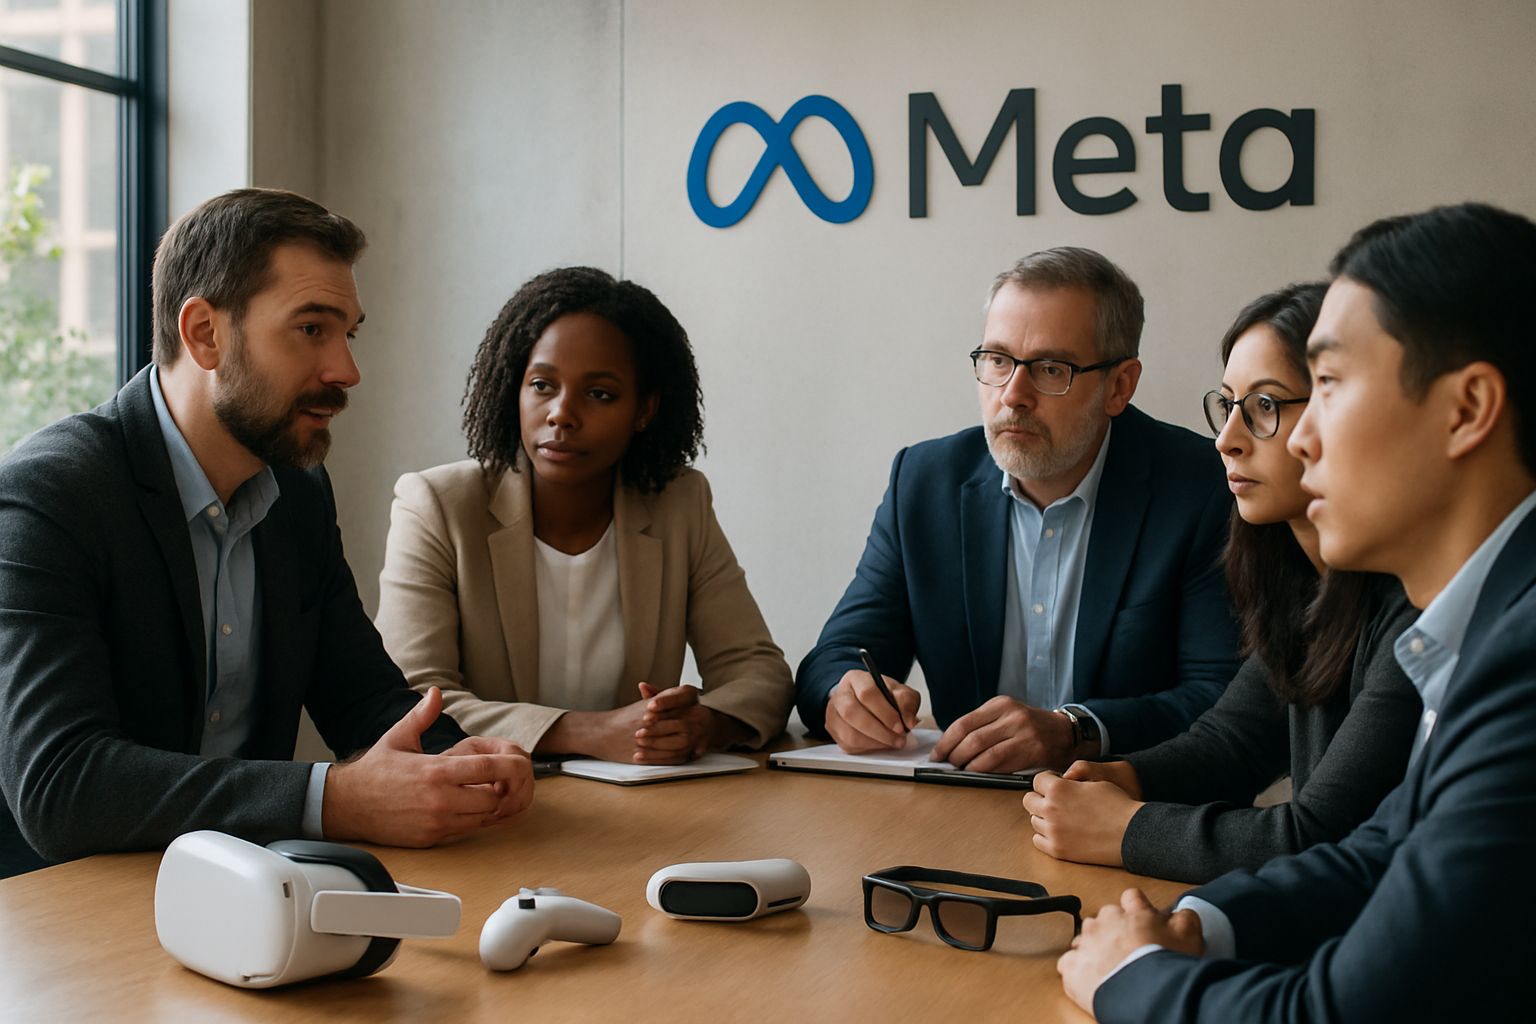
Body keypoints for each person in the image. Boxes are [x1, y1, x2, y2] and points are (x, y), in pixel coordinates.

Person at [1059, 202, 1536, 1021]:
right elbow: (1382, 850)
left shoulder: (1521, 656)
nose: (1302, 439)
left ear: (1466, 410)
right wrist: (1197, 926)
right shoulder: (1483, 624)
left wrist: (1133, 975)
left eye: (1332, 387)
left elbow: (1338, 1013)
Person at [0, 188, 534, 879]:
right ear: (204, 334)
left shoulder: (297, 493)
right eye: (312, 329)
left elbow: (361, 698)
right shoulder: (50, 495)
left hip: (245, 897)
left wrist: (467, 764)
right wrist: (330, 800)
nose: (346, 371)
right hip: (61, 921)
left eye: (349, 333)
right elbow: (61, 786)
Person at [1023, 282, 1420, 883]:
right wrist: (1118, 779)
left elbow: (1322, 837)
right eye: (1228, 404)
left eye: (1263, 407)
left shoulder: (1415, 600)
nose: (1226, 439)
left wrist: (1124, 827)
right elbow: (1233, 741)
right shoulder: (1297, 573)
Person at [796, 247, 1240, 773]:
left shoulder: (1200, 487)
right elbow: (838, 654)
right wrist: (843, 695)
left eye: (1051, 369)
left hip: (1125, 808)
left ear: (1118, 386)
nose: (1013, 395)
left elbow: (1224, 701)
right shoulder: (925, 481)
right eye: (998, 360)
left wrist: (1078, 731)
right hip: (962, 806)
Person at [374, 267, 793, 762]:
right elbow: (412, 698)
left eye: (600, 394)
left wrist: (706, 723)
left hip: (640, 807)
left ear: (645, 410)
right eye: (542, 385)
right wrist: (584, 733)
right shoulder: (437, 505)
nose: (561, 414)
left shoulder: (679, 503)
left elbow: (758, 670)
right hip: (484, 801)